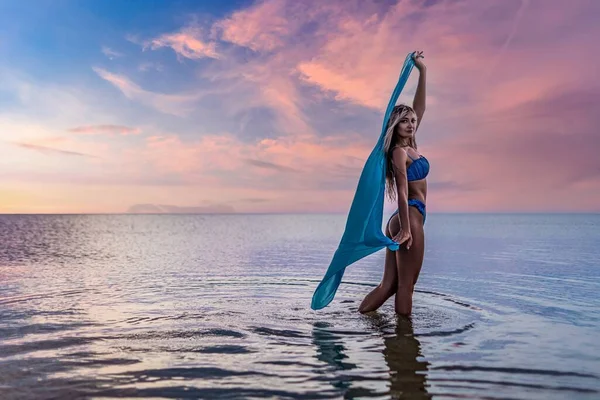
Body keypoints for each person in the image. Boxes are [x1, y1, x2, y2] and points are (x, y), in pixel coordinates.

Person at [358, 50, 427, 316]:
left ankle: (361, 317)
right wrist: (407, 230)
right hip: (408, 216)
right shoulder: (399, 152)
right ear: (395, 127)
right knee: (406, 286)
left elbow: (420, 107)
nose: (410, 124)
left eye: (412, 121)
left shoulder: (412, 147)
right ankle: (404, 344)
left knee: (390, 285)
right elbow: (400, 190)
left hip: (407, 217)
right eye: (404, 122)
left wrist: (422, 71)